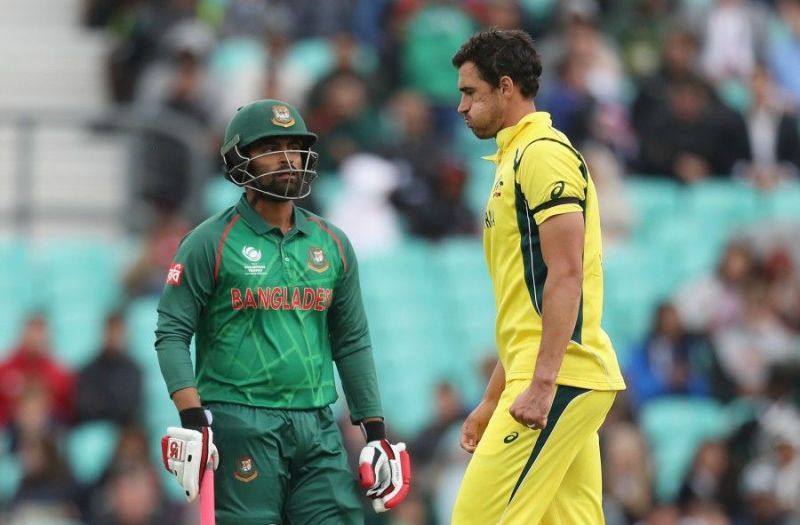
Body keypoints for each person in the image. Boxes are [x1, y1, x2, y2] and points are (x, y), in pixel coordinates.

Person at [154, 99, 411, 525]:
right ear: (241, 159)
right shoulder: (209, 241)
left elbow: (351, 342)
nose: (289, 157)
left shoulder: (332, 243)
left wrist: (376, 433)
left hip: (318, 424)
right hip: (240, 422)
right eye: (272, 147)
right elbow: (172, 333)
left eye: (295, 145)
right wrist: (192, 415)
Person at [450, 29, 626, 524]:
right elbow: (530, 306)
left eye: (470, 93)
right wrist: (491, 397)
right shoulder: (515, 158)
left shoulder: (542, 154)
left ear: (506, 87)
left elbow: (567, 275)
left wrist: (544, 383)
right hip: (549, 376)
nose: (461, 108)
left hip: (558, 379)